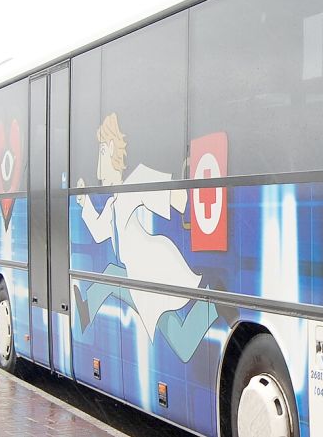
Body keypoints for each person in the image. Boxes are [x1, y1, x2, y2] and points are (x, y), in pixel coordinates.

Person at [73, 113, 227, 362]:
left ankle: (87, 308)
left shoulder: (137, 182)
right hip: (139, 277)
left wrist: (189, 192)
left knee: (112, 275)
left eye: (101, 153)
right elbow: (100, 232)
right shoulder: (114, 203)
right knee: (183, 342)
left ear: (111, 150)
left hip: (153, 268)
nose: (98, 169)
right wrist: (84, 203)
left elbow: (173, 196)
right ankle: (212, 302)